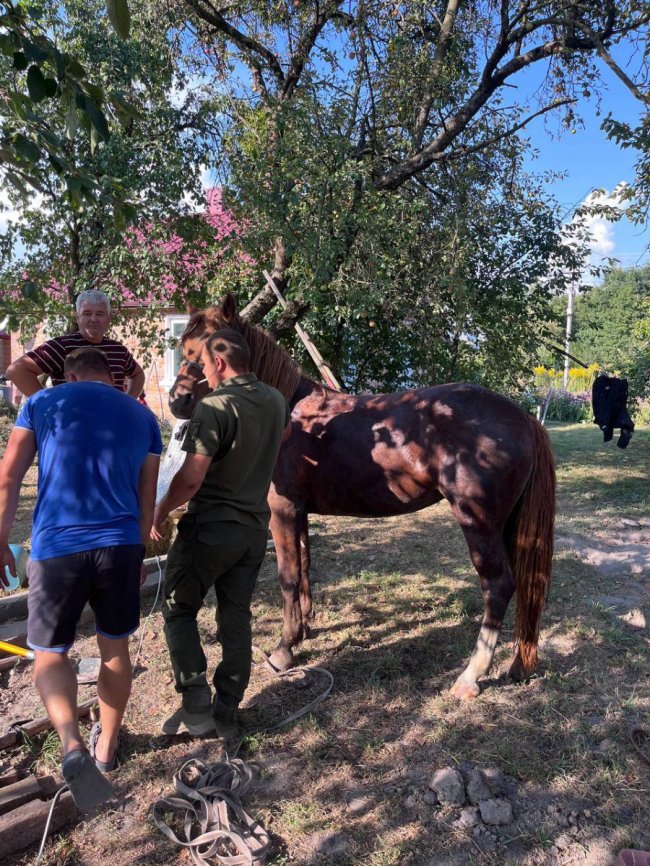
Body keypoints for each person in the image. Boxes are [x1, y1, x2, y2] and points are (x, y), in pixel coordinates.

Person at [0, 347, 162, 813]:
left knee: (50, 654)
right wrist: (137, 553)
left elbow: (9, 477)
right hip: (120, 546)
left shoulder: (41, 404)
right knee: (115, 650)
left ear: (67, 375)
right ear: (111, 377)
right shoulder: (142, 415)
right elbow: (145, 495)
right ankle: (106, 748)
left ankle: (71, 744)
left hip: (56, 549)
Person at [152, 327, 290, 739]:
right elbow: (281, 438)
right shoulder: (276, 399)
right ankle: (227, 706)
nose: (202, 375)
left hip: (210, 528)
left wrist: (159, 510)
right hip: (252, 531)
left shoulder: (214, 405)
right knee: (236, 616)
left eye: (204, 365)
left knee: (178, 611)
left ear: (222, 363)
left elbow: (191, 479)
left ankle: (196, 706)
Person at [6, 289, 145, 398]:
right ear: (78, 318)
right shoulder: (62, 346)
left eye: (100, 314)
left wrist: (129, 402)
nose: (93, 319)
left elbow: (138, 374)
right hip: (72, 425)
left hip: (111, 425)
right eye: (87, 313)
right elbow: (16, 370)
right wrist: (47, 402)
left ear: (109, 319)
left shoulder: (118, 350)